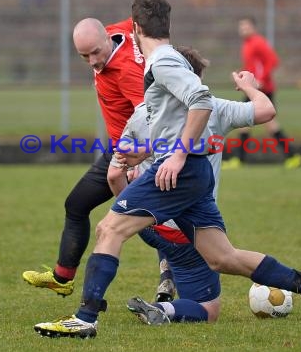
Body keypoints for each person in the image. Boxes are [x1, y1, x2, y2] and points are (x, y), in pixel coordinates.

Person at [33, 0, 301, 339]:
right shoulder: (161, 63)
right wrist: (147, 150)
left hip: (179, 172)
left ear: (133, 29)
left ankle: (85, 319)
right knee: (222, 258)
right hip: (194, 176)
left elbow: (200, 98)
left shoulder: (161, 61)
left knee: (108, 230)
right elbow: (195, 112)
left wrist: (177, 154)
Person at [21, 0, 170, 297]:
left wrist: (139, 160)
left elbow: (153, 115)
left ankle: (171, 270)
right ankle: (63, 277)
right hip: (118, 152)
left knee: (146, 218)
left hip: (136, 155)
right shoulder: (120, 31)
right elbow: (139, 17)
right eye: (84, 56)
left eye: (94, 53)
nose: (92, 62)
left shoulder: (129, 73)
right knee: (76, 204)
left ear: (105, 41)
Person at [107, 46, 276, 324]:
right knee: (208, 310)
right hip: (190, 233)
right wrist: (250, 87)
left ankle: (166, 272)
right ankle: (163, 308)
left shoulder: (139, 113)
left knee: (163, 207)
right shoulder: (214, 108)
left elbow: (114, 175)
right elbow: (266, 110)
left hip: (147, 225)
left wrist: (131, 212)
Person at [225, 16, 301, 170]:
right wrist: (242, 74)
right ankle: (240, 159)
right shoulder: (247, 44)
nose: (243, 30)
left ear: (253, 28)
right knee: (249, 123)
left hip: (262, 89)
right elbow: (253, 66)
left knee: (263, 123)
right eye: (241, 27)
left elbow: (273, 61)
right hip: (252, 88)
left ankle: (292, 156)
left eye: (246, 27)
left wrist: (260, 79)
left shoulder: (258, 42)